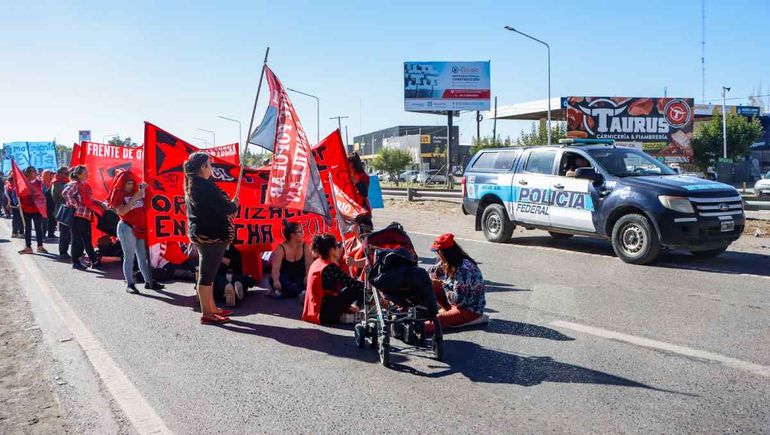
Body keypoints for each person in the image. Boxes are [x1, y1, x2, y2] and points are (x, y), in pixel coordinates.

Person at [185, 152, 238, 325]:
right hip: (211, 236)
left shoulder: (196, 185)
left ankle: (212, 308)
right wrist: (233, 205)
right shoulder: (205, 187)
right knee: (207, 275)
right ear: (202, 168)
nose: (211, 168)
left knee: (209, 273)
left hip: (204, 234)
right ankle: (207, 313)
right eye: (209, 165)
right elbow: (226, 208)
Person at [107, 170, 164, 294]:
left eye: (132, 183)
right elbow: (121, 212)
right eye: (128, 183)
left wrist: (146, 191)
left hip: (140, 228)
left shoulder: (137, 192)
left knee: (143, 257)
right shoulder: (119, 194)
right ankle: (130, 284)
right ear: (122, 184)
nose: (131, 185)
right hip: (126, 228)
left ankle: (149, 281)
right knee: (129, 257)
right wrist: (135, 198)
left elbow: (147, 207)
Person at [428, 233, 488, 331]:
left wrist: (442, 285)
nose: (437, 255)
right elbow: (431, 272)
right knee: (430, 283)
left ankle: (415, 328)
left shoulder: (463, 270)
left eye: (437, 252)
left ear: (443, 253)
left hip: (469, 310)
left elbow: (458, 300)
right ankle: (446, 311)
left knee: (436, 321)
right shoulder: (449, 262)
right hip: (456, 305)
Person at [302, 233, 365, 325]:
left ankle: (350, 311)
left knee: (353, 286)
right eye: (337, 245)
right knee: (359, 287)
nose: (339, 248)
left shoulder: (317, 262)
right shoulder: (330, 267)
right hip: (323, 314)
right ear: (332, 250)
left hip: (313, 312)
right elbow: (354, 284)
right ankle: (355, 310)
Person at [63, 165, 103, 270]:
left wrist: (101, 204)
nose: (87, 174)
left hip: (85, 216)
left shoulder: (85, 185)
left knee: (87, 240)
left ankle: (93, 260)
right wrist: (75, 205)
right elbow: (65, 193)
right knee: (76, 240)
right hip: (77, 216)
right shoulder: (75, 184)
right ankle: (75, 263)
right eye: (85, 173)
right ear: (79, 174)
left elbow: (90, 200)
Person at [269, 221, 312, 298]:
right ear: (293, 235)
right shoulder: (281, 248)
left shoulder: (305, 245)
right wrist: (276, 281)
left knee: (312, 282)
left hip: (300, 277)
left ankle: (284, 293)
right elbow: (275, 268)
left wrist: (307, 276)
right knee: (280, 282)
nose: (303, 233)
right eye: (300, 232)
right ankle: (302, 292)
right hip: (285, 277)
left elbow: (309, 263)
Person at [17, 167, 48, 255]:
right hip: (26, 209)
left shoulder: (39, 182)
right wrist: (19, 202)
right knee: (27, 228)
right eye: (34, 171)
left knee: (38, 228)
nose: (36, 173)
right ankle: (28, 247)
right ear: (29, 173)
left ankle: (40, 246)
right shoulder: (22, 183)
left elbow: (42, 194)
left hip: (36, 209)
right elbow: (19, 194)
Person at [51, 167, 72, 259]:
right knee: (64, 233)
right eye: (66, 173)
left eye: (68, 173)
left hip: (68, 210)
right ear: (59, 174)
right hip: (63, 211)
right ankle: (63, 251)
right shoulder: (57, 183)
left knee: (69, 233)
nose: (67, 175)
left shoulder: (64, 183)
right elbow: (66, 195)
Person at [41, 170, 57, 238]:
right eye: (51, 174)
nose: (52, 176)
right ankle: (43, 234)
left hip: (51, 205)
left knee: (52, 220)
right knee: (44, 221)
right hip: (44, 205)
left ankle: (51, 233)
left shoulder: (52, 183)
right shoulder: (41, 184)